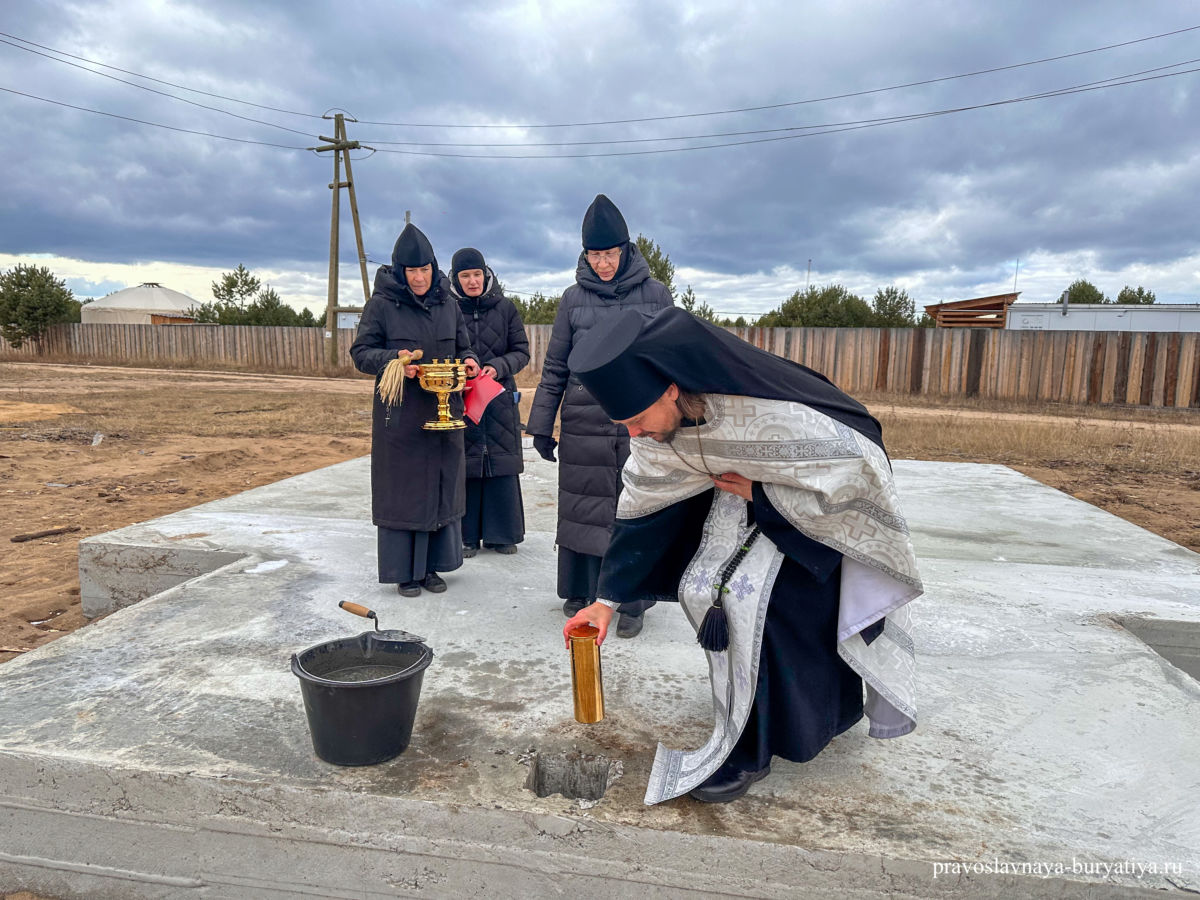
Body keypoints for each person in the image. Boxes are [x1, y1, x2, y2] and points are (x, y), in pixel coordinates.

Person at [562, 306, 921, 805]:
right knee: (703, 588)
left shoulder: (773, 415)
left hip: (810, 527)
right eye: (624, 425)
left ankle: (750, 750)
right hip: (738, 508)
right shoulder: (655, 428)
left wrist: (765, 495)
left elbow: (854, 477)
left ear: (670, 390)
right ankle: (777, 714)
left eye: (638, 421)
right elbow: (642, 504)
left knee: (754, 603)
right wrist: (606, 601)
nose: (634, 436)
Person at [525, 194, 673, 638]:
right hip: (584, 420)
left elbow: (672, 360)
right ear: (584, 255)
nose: (603, 263)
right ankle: (582, 589)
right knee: (583, 505)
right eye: (595, 255)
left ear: (626, 250)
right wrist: (540, 424)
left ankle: (633, 599)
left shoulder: (656, 294)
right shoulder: (572, 299)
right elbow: (555, 366)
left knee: (636, 508)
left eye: (610, 254)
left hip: (638, 422)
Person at [350, 223, 479, 597]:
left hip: (444, 414)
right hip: (401, 417)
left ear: (432, 268)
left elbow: (464, 347)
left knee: (441, 487)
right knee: (405, 492)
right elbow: (361, 353)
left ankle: (432, 568)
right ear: (400, 272)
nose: (420, 278)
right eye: (412, 271)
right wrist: (394, 360)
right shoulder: (381, 305)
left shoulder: (448, 305)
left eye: (425, 270)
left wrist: (468, 362)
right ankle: (405, 572)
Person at [448, 247, 530, 556]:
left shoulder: (505, 308)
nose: (472, 281)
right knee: (465, 464)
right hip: (462, 397)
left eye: (477, 274)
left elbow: (521, 350)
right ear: (455, 279)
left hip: (498, 398)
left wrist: (499, 367)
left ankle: (503, 534)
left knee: (501, 463)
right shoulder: (447, 309)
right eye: (465, 276)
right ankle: (466, 536)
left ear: (487, 274)